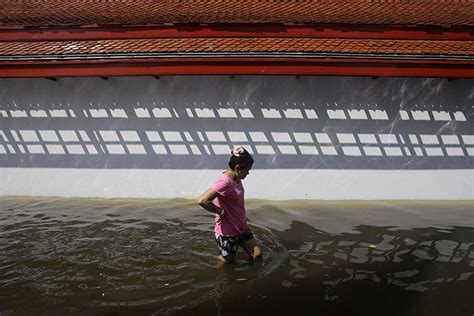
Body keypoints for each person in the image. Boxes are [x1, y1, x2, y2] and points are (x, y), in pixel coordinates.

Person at [198, 146, 262, 266]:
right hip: (227, 232)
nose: (248, 173)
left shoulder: (236, 177)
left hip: (241, 227)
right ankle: (218, 279)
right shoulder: (225, 182)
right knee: (227, 263)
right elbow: (203, 200)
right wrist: (220, 211)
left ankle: (251, 277)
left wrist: (244, 223)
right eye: (247, 170)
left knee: (257, 255)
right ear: (237, 168)